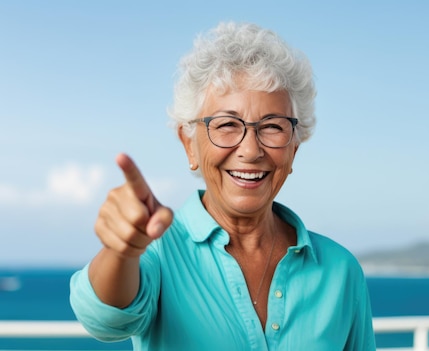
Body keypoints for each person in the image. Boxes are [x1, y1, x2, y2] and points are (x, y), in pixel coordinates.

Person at [69, 22, 376, 350]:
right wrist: (122, 251)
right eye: (227, 124)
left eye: (272, 126)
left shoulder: (340, 271)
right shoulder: (158, 251)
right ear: (190, 145)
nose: (251, 149)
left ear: (293, 149)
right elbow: (103, 318)